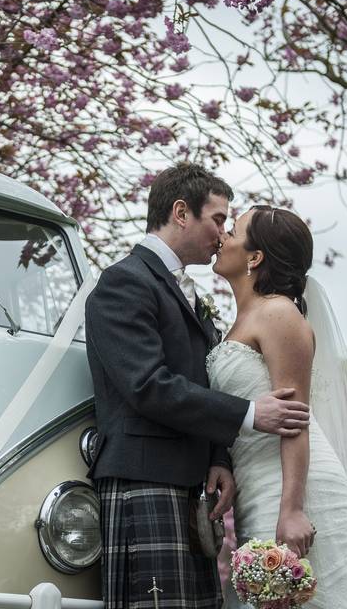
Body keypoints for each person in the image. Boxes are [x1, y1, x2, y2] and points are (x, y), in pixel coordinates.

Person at [85, 164, 312, 609]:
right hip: (143, 479)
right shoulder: (124, 282)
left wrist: (217, 455)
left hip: (190, 488)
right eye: (219, 219)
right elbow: (147, 385)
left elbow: (197, 381)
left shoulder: (185, 291)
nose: (223, 233)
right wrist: (248, 414)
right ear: (181, 212)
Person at [210, 205, 347, 608]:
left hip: (295, 485)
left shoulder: (278, 315)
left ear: (255, 257)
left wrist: (292, 508)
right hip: (256, 483)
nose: (222, 237)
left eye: (233, 232)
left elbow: (296, 418)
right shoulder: (244, 318)